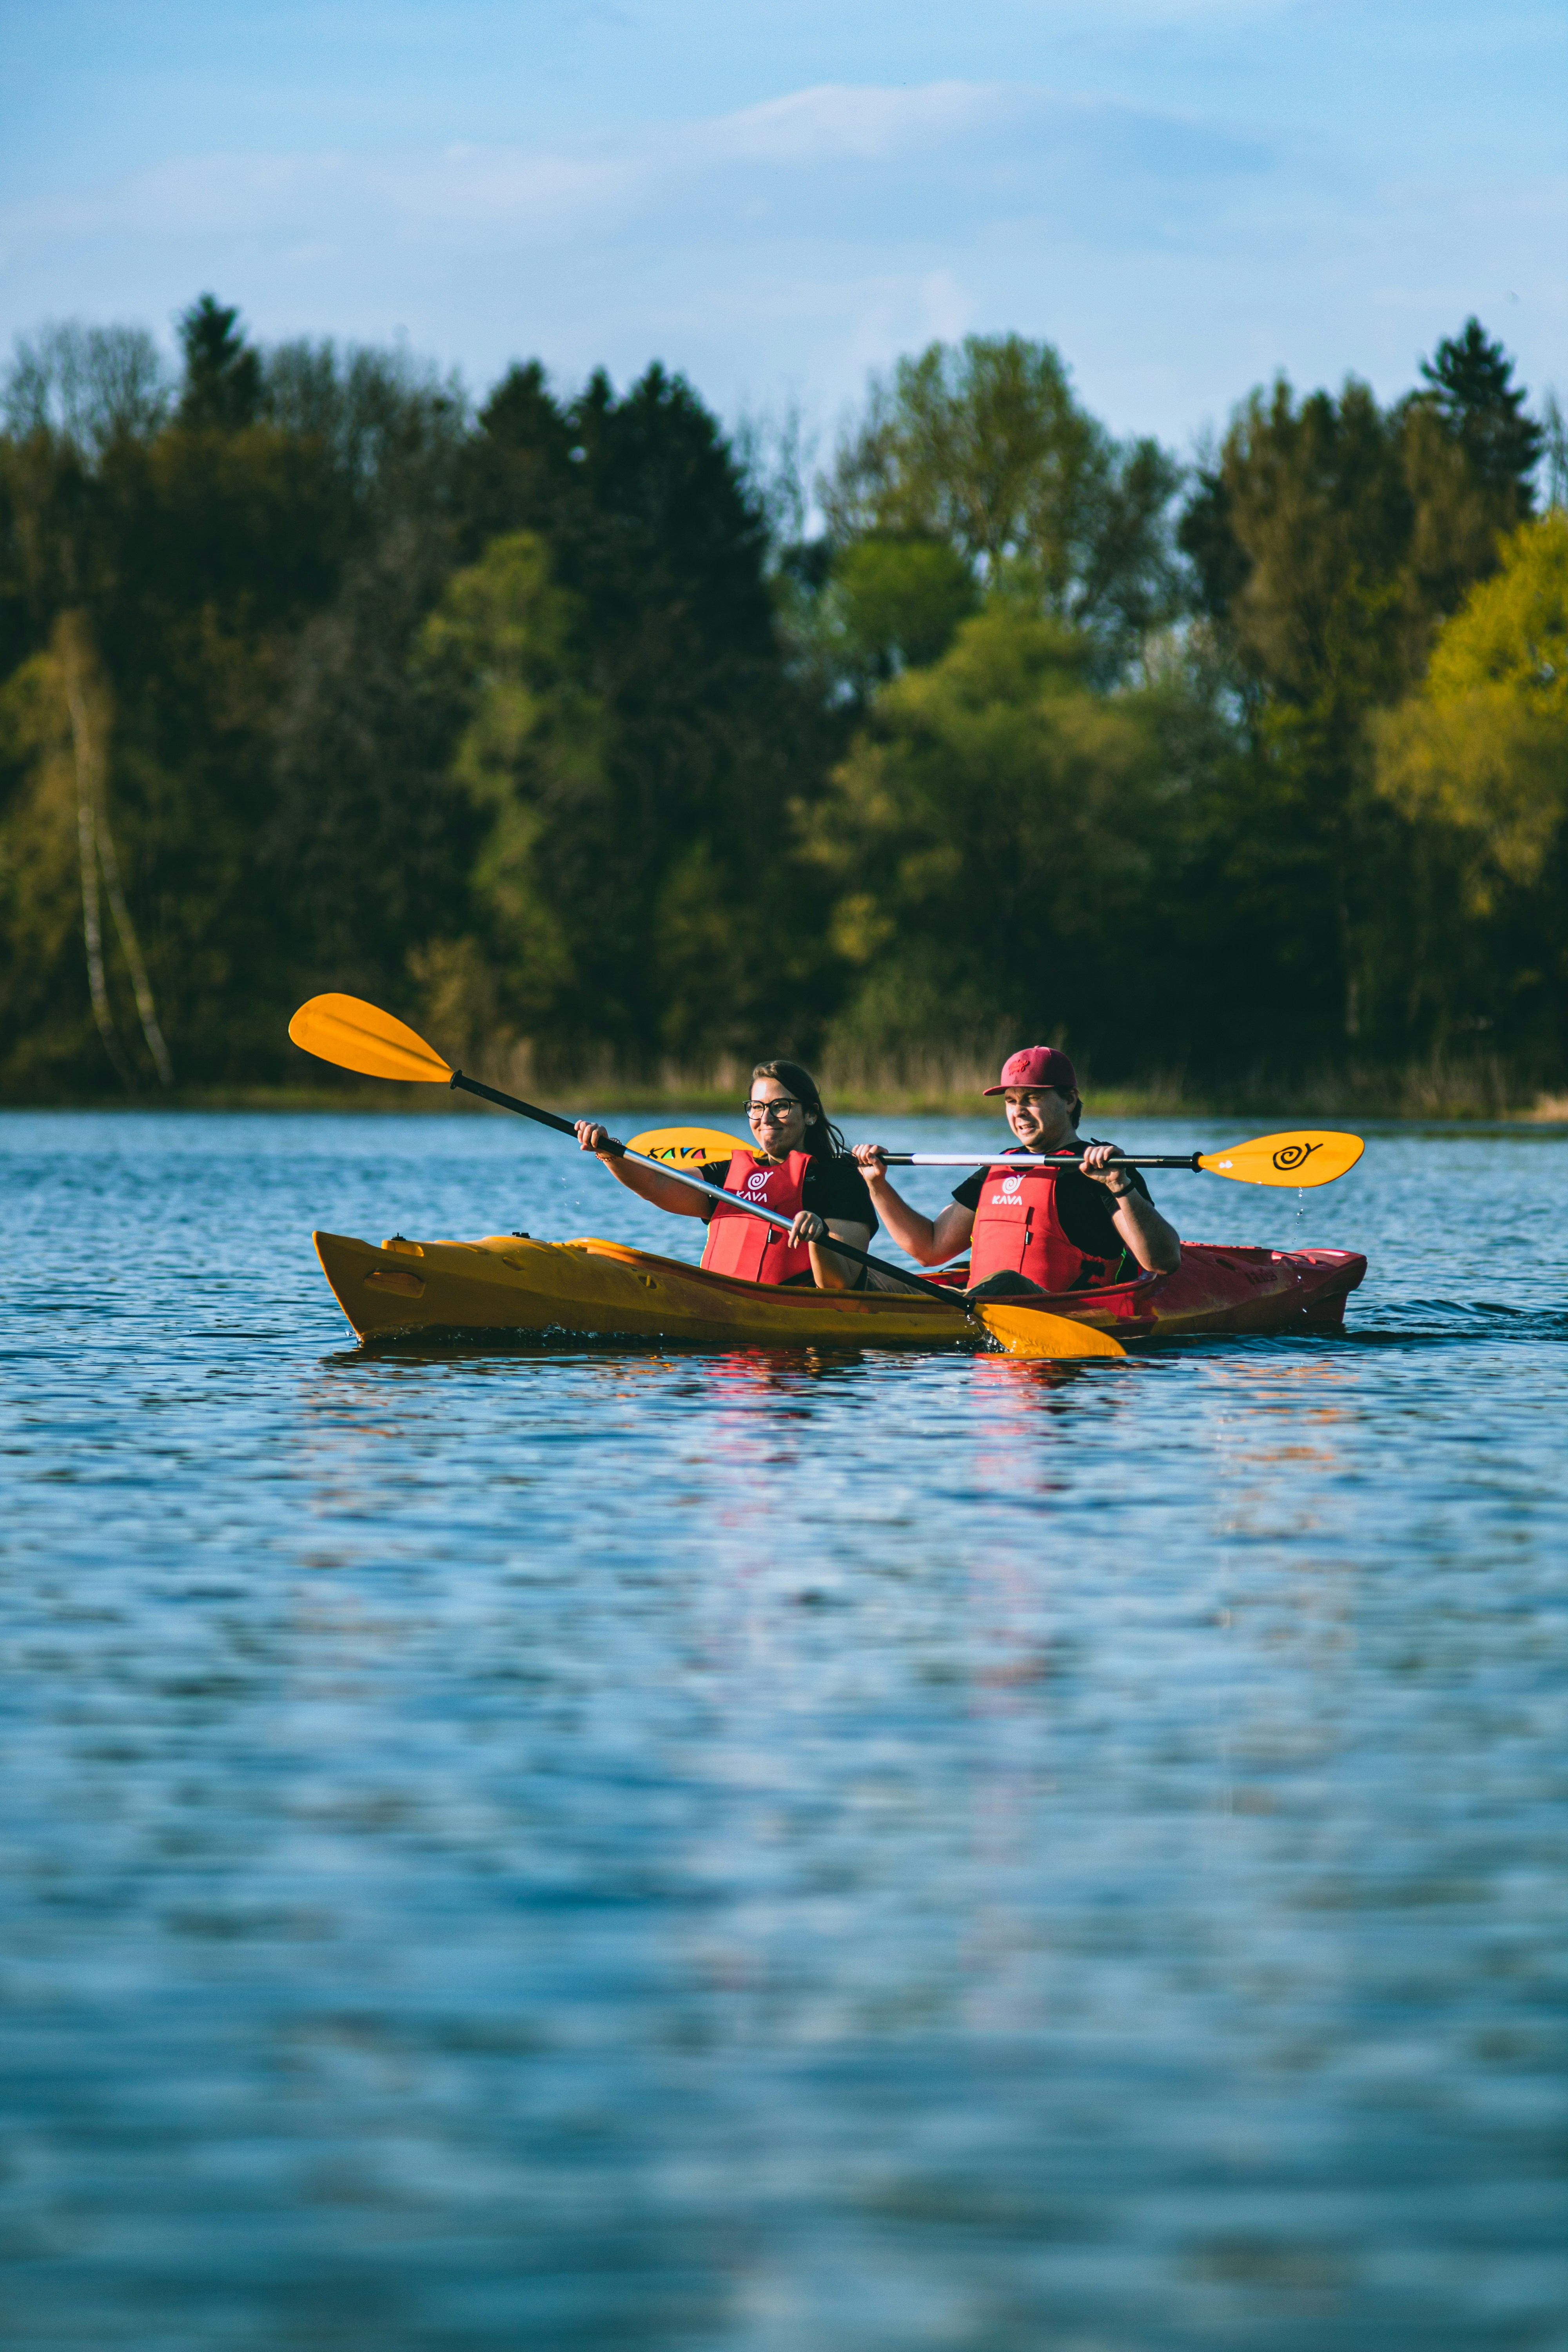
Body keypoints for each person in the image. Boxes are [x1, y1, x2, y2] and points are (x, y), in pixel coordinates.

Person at [853, 1045, 1182, 1297]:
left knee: (1004, 1282)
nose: (1019, 1111)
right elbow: (930, 1248)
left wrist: (1120, 1185)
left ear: (1069, 1100)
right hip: (976, 1306)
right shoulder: (997, 1166)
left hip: (1053, 1311)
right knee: (864, 1277)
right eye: (1011, 1101)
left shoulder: (1101, 1168)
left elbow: (1162, 1263)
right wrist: (877, 1184)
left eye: (1032, 1098)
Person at [574, 1059, 877, 1291]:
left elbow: (840, 1285)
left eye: (781, 1107)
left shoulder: (839, 1179)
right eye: (757, 1108)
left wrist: (819, 1236)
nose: (766, 1118)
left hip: (795, 1334)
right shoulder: (729, 1171)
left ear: (810, 1114)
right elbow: (656, 1184)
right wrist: (610, 1151)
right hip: (720, 1308)